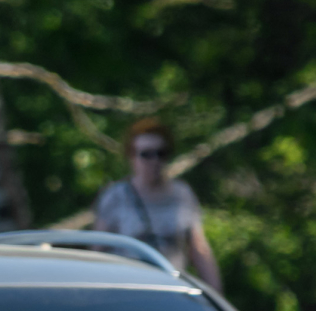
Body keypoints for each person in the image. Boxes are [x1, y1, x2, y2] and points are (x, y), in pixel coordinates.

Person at [93, 119, 221, 290]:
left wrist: (216, 297)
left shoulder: (182, 195)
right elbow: (97, 252)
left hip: (169, 292)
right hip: (127, 293)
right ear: (132, 157)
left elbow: (199, 250)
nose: (154, 161)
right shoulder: (116, 197)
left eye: (161, 153)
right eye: (146, 154)